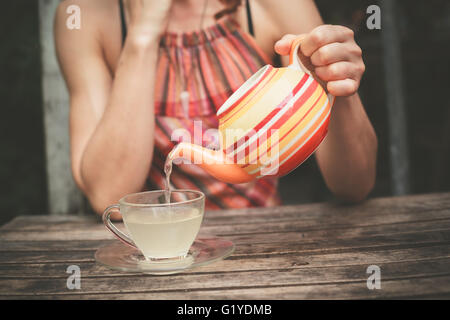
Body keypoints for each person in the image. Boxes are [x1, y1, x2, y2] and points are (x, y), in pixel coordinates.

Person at [54, 0, 377, 217]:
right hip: (158, 255)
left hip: (264, 242)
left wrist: (337, 85)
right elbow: (108, 197)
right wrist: (143, 34)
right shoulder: (84, 17)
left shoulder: (272, 5)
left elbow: (354, 185)